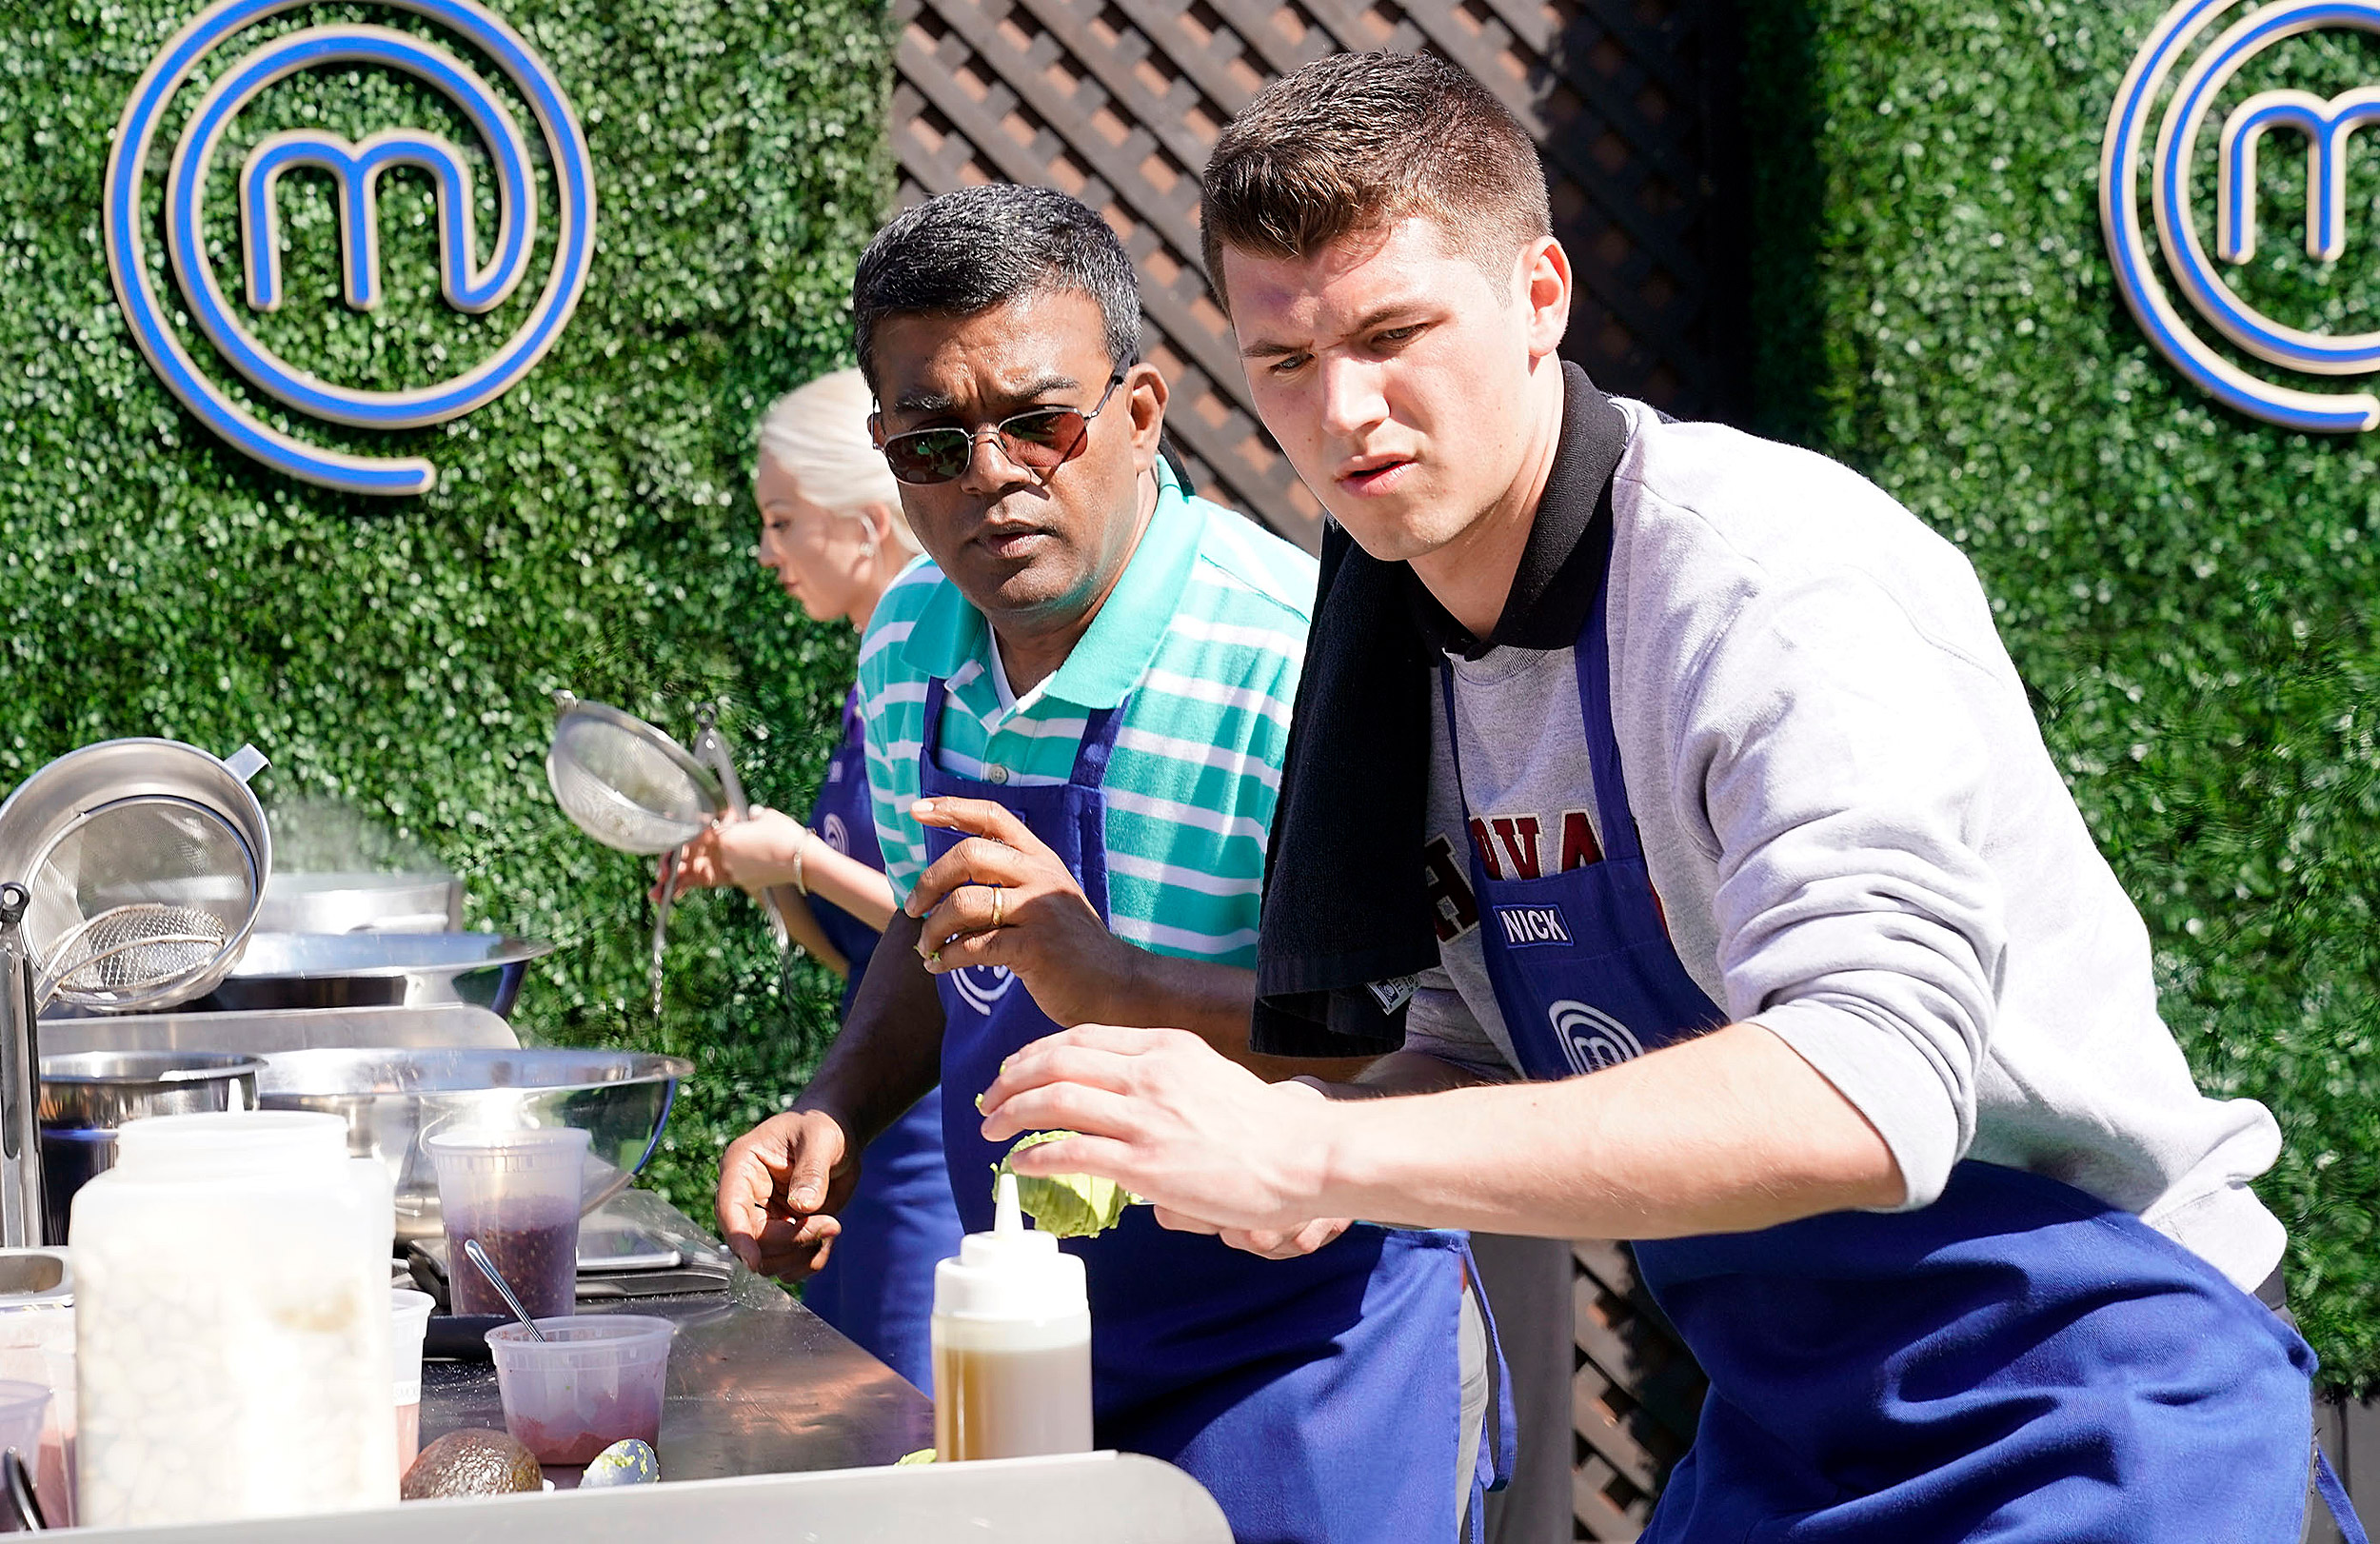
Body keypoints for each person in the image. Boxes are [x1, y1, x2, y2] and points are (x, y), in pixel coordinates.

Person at [980, 50, 2350, 1543]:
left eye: (1396, 332)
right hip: (1788, 1413)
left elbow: (1871, 1085)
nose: (1348, 414)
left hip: (2102, 1391)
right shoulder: (1385, 626)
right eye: (1288, 361)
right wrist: (1303, 1147)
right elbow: (1474, 1041)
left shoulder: (1762, 577)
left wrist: (1320, 1148)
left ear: (1541, 296)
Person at [712, 184, 1507, 1543]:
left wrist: (1113, 976)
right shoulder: (910, 636)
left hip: (1307, 1356)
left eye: (1039, 422)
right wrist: (838, 1104)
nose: (995, 476)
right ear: (886, 449)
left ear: (1138, 417)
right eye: (935, 441)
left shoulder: (1302, 658)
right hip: (1038, 1349)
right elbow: (931, 919)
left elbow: (1413, 1037)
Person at [669, 367, 962, 1393]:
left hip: (932, 1114)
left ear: (869, 521)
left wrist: (797, 854)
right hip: (862, 1109)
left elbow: (964, 925)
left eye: (783, 519)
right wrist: (767, 872)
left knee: (905, 1399)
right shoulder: (871, 673)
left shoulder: (942, 670)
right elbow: (853, 945)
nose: (767, 549)